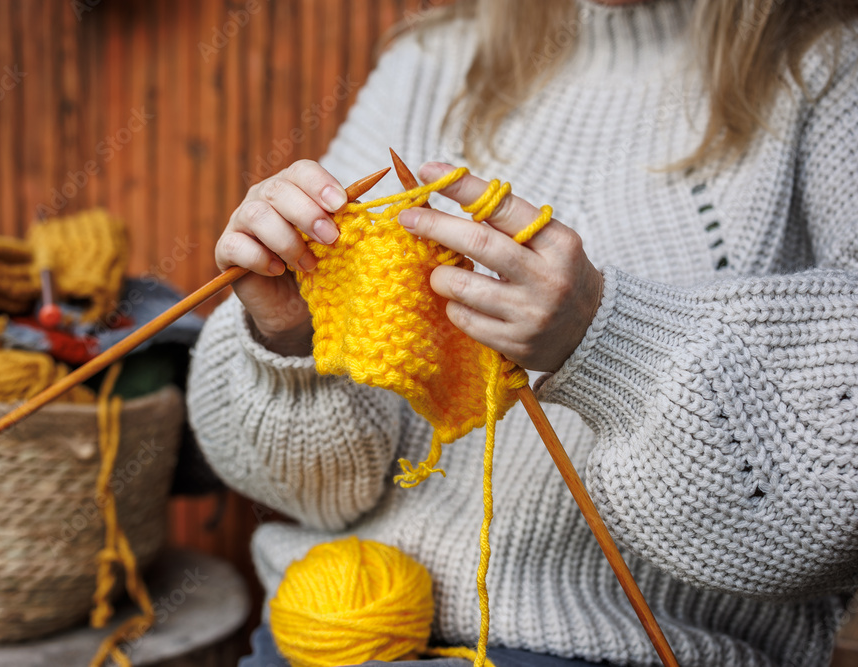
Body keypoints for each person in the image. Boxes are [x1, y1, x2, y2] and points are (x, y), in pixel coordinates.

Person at [188, 0, 858, 664]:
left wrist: (608, 336)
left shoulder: (826, 68)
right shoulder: (430, 61)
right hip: (346, 620)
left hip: (624, 647)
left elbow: (835, 479)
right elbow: (313, 491)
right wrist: (290, 333)